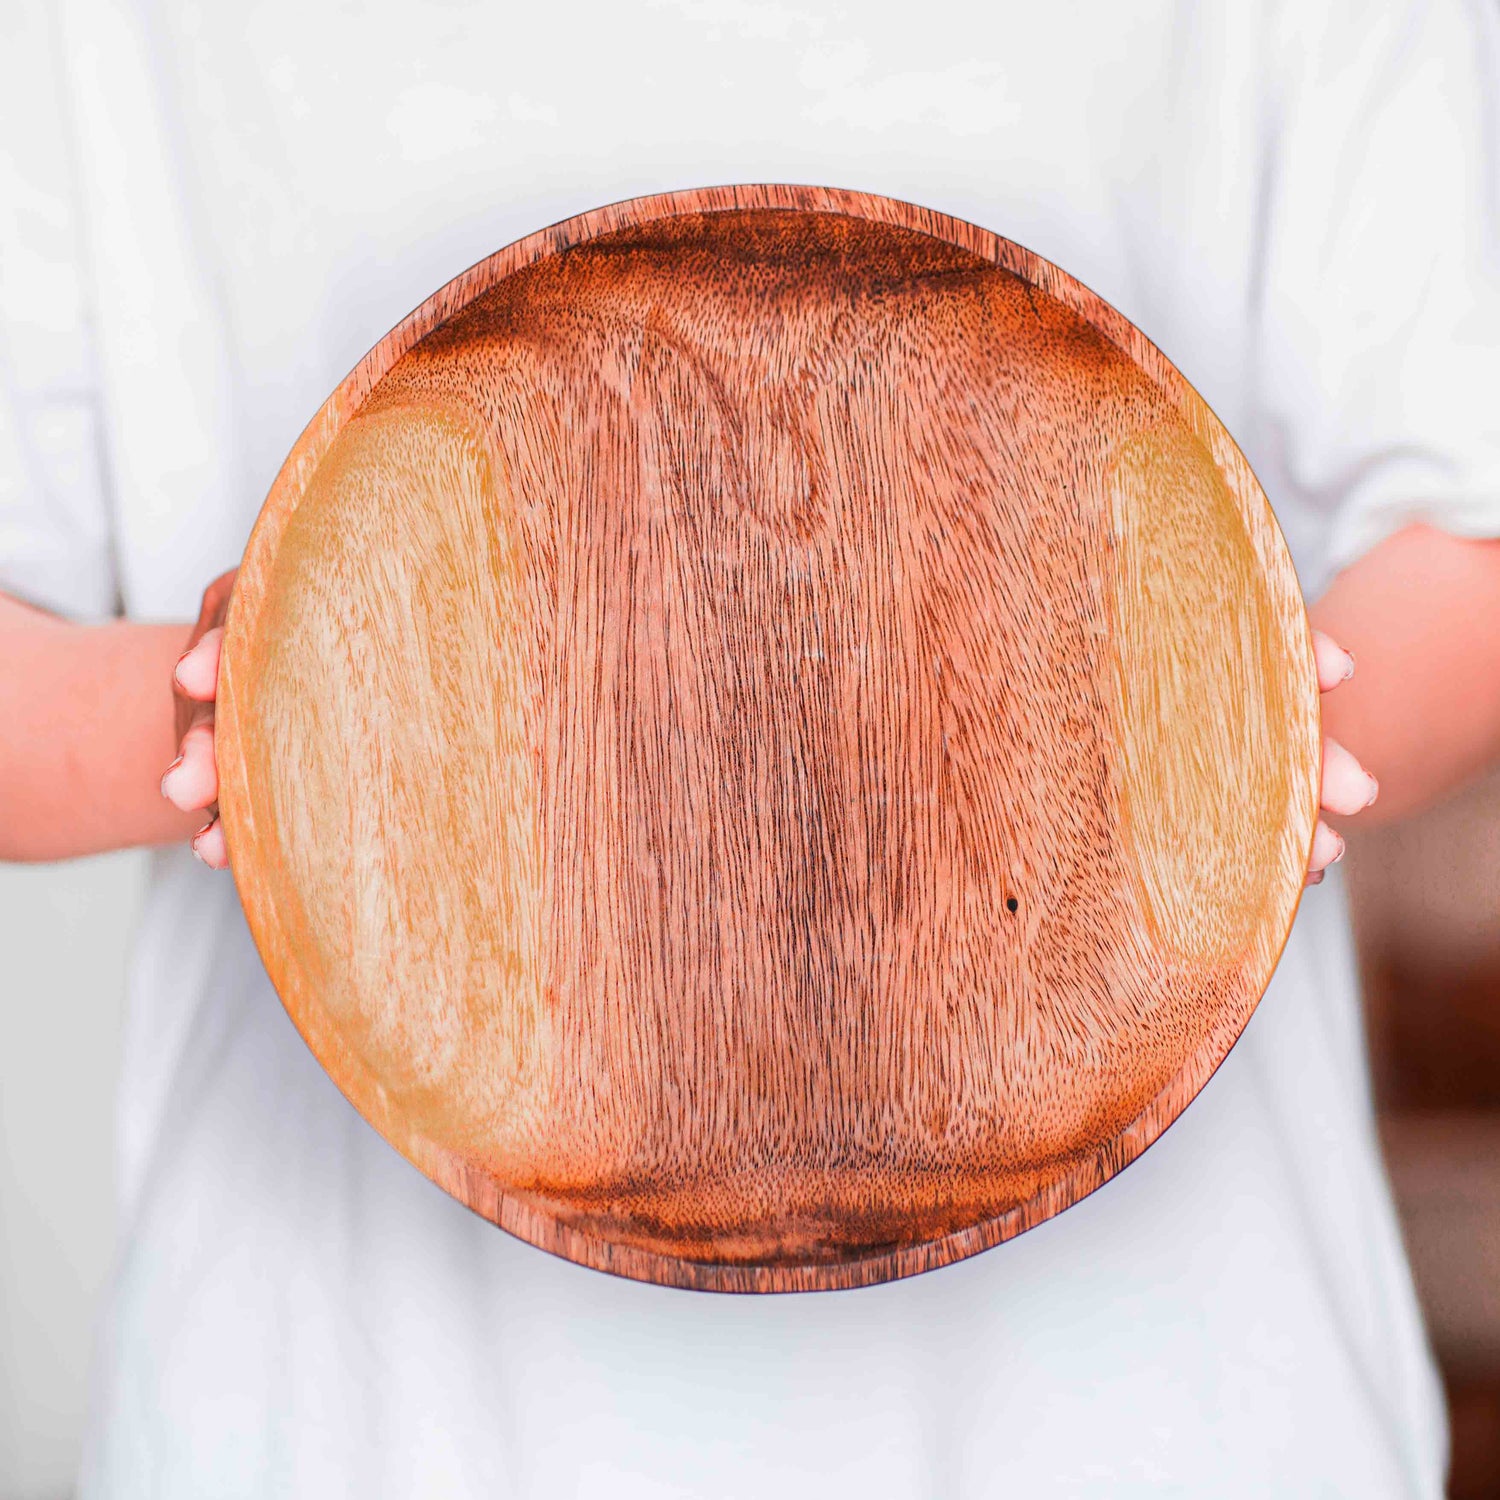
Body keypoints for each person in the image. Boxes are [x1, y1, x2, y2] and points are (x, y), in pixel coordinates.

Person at [3, 0, 1498, 1493]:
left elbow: (1470, 528)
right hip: (351, 1410)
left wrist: (1228, 737)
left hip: (1159, 1410)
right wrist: (252, 714)